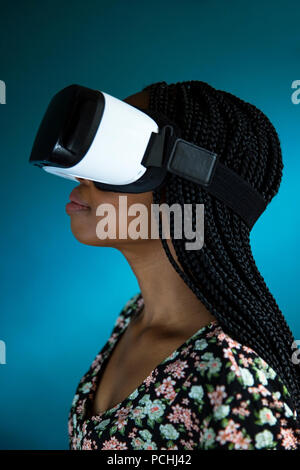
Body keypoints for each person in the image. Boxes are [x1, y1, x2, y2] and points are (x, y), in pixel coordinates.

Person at [67, 80, 300, 450]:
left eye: (121, 152)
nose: (82, 175)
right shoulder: (135, 314)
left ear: (192, 182)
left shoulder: (231, 377)